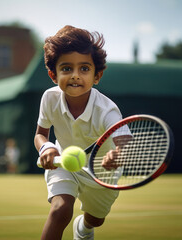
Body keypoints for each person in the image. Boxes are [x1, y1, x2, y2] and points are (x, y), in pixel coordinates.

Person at [34, 25, 131, 240]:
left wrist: (118, 154)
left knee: (96, 219)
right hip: (64, 163)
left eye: (84, 69)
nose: (76, 75)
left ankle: (85, 228)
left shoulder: (107, 110)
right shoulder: (49, 98)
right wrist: (47, 147)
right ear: (53, 74)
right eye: (67, 68)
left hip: (102, 175)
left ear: (97, 76)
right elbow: (40, 134)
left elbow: (124, 142)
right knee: (60, 210)